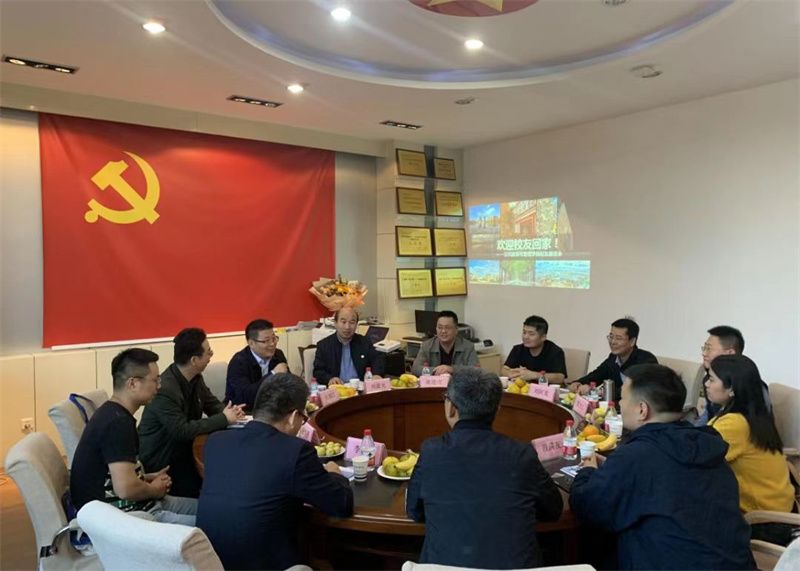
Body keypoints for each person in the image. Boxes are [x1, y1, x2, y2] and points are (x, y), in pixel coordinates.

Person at [569, 364, 756, 570]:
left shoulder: (636, 455)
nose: (620, 404)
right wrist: (615, 468)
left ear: (642, 410)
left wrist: (587, 471)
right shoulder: (705, 446)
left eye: (622, 398)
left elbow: (589, 506)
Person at [406, 368, 563, 569]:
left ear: (451, 407)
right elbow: (553, 509)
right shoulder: (521, 454)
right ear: (497, 410)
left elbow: (414, 510)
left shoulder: (432, 451)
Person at [197, 373, 353, 570]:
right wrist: (334, 473)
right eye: (303, 418)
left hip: (211, 563)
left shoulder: (216, 442)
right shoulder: (296, 451)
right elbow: (341, 504)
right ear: (293, 417)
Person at [70, 348, 198, 525]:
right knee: (214, 525)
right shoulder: (117, 423)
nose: (159, 386)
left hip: (140, 505)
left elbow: (116, 475)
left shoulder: (112, 413)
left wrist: (145, 479)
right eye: (155, 380)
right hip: (125, 518)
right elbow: (126, 489)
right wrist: (154, 489)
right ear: (132, 384)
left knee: (211, 511)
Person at [139, 328, 244, 498]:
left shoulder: (195, 377)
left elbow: (211, 404)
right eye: (208, 352)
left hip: (186, 452)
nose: (211, 356)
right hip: (165, 463)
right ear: (194, 360)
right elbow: (182, 430)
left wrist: (231, 412)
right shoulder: (165, 389)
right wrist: (224, 418)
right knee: (216, 484)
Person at [706, 354, 794, 513]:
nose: (706, 384)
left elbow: (699, 456)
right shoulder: (753, 413)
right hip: (780, 503)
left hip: (763, 515)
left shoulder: (734, 424)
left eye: (711, 380)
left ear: (731, 388)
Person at [571, 317, 657, 401]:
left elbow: (634, 390)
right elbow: (597, 374)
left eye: (618, 338)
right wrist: (578, 383)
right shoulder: (613, 357)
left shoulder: (646, 361)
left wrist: (598, 392)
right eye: (611, 337)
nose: (613, 342)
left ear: (632, 341)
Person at [225, 319, 289, 410]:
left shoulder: (278, 355)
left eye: (274, 338)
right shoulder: (238, 362)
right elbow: (246, 397)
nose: (272, 344)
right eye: (266, 341)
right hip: (243, 411)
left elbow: (288, 384)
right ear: (251, 343)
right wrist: (273, 374)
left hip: (271, 409)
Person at [313, 307, 384, 385]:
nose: (347, 327)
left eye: (352, 322)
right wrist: (330, 379)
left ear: (356, 325)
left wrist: (376, 374)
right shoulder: (324, 346)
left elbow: (377, 361)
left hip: (360, 388)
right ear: (335, 323)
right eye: (343, 322)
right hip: (338, 389)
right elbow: (318, 371)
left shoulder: (364, 342)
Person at [501, 315, 567, 383]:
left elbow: (560, 378)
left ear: (543, 337)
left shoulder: (555, 351)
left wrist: (534, 375)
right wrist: (513, 373)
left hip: (546, 388)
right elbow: (504, 370)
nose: (526, 337)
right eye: (524, 332)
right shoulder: (518, 349)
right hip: (524, 387)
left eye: (531, 334)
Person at [410, 310, 478, 376]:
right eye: (440, 327)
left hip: (459, 383)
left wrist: (452, 369)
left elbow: (476, 371)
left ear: (456, 330)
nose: (443, 331)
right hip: (435, 383)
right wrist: (435, 370)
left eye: (447, 328)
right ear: (436, 329)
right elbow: (415, 369)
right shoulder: (427, 346)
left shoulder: (468, 347)